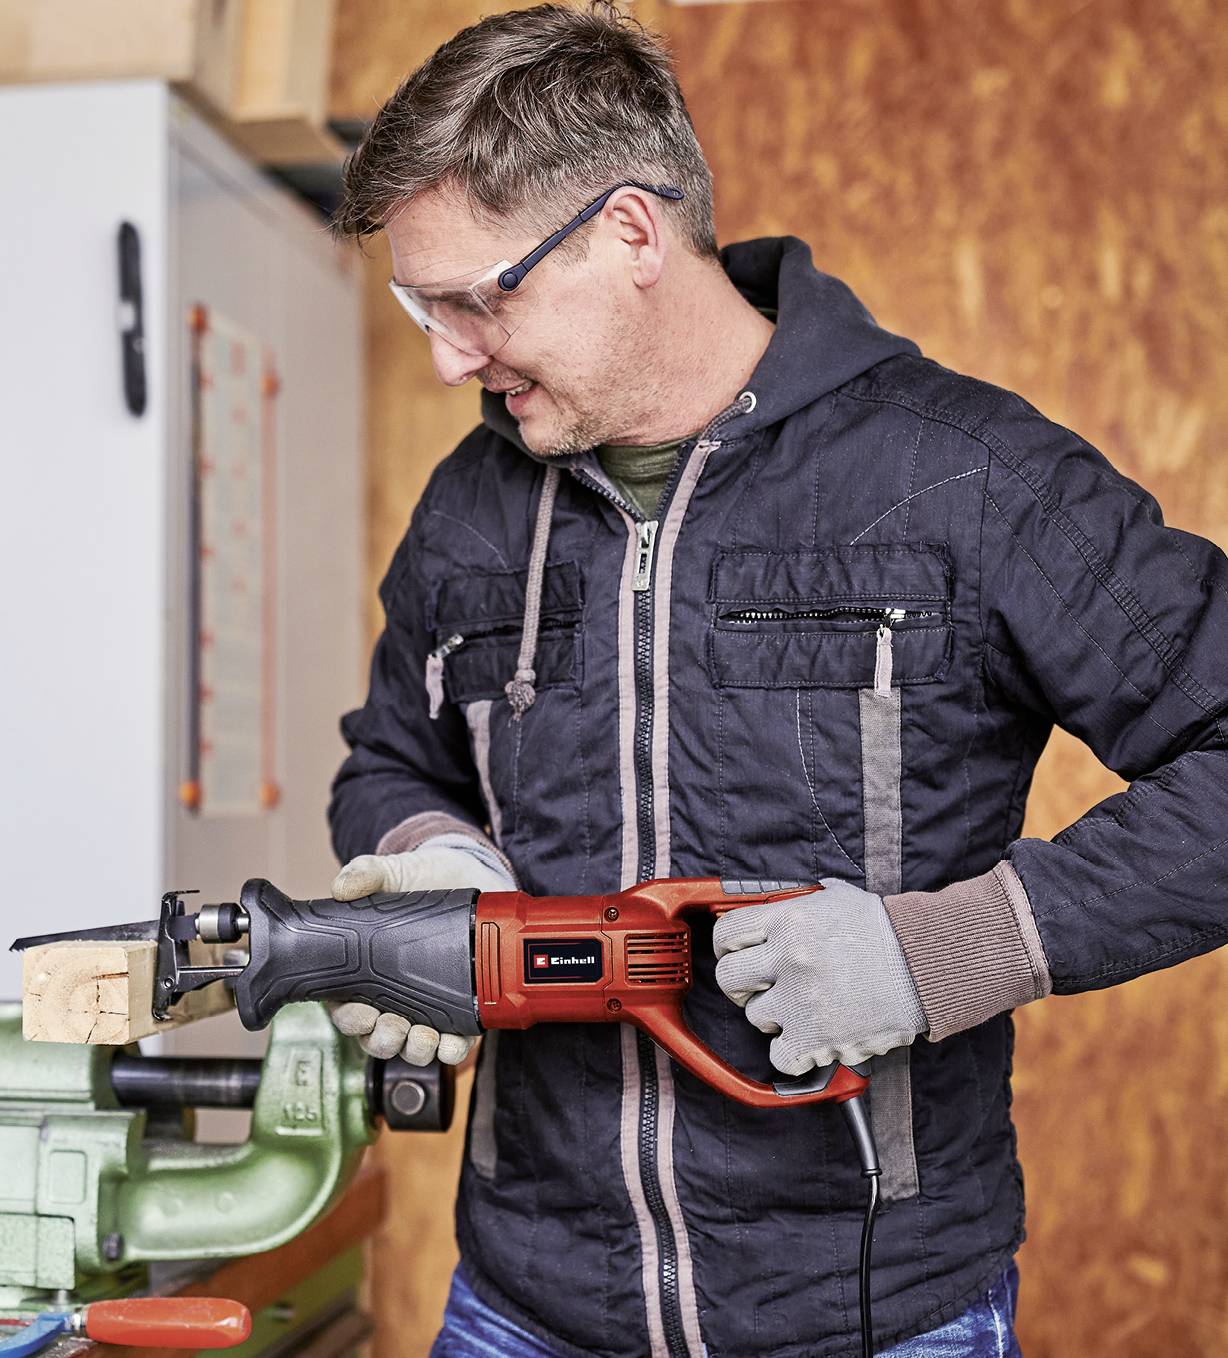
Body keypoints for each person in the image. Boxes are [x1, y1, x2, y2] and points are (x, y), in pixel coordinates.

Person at [320, 6, 1228, 1358]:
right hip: (522, 1306)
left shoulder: (962, 476)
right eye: (424, 303)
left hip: (874, 1319)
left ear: (630, 233)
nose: (449, 353)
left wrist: (939, 954)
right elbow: (391, 756)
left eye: (478, 297)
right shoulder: (470, 506)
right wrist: (434, 847)